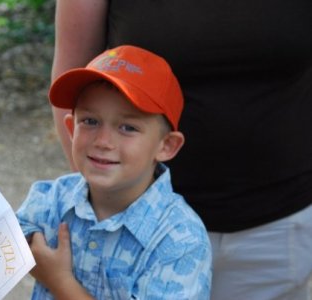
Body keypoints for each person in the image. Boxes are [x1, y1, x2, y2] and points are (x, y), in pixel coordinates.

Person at [50, 1, 312, 299]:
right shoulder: (49, 202)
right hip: (140, 230)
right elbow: (70, 79)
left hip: (278, 225)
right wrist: (100, 209)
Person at [17, 45, 212, 299]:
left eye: (128, 127)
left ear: (166, 145)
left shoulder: (180, 240)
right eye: (90, 121)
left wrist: (59, 281)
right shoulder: (50, 199)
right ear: (71, 129)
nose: (103, 141)